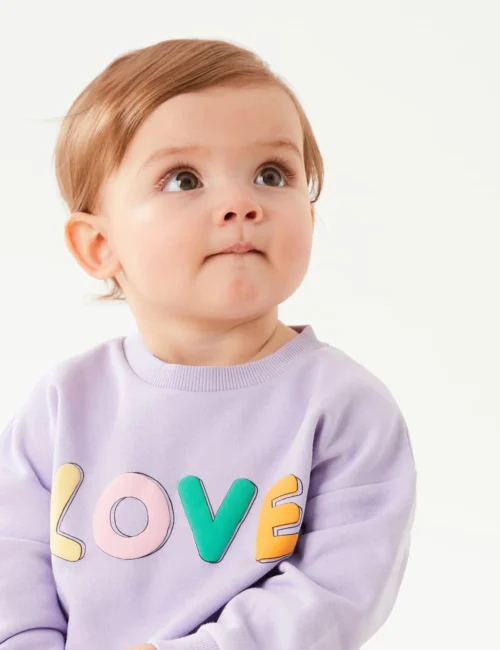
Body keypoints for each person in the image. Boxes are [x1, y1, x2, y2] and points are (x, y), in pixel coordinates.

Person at [0, 38, 417, 650]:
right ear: (100, 246)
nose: (241, 204)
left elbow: (335, 593)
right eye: (183, 179)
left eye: (272, 174)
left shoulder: (344, 409)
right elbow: (13, 558)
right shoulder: (65, 402)